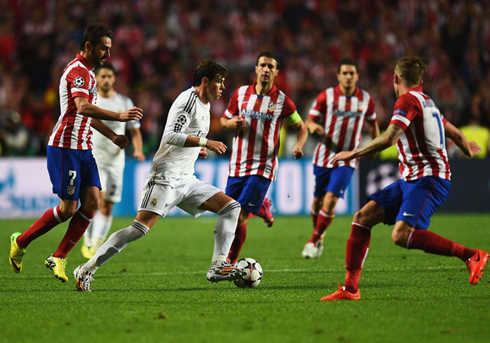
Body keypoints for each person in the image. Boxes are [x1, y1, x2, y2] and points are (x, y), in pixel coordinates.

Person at [321, 56, 488, 301]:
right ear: (420, 79)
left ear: (395, 79)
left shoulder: (407, 100)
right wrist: (468, 149)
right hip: (412, 179)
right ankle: (350, 289)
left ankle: (471, 255)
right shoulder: (427, 101)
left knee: (401, 235)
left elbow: (389, 137)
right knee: (362, 218)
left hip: (429, 178)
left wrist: (352, 153)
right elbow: (455, 133)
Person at [73, 59, 247, 292]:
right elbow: (171, 136)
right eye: (219, 82)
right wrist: (207, 142)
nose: (223, 87)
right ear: (205, 82)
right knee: (138, 229)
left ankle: (218, 265)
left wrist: (198, 148)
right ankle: (86, 269)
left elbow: (186, 136)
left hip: (186, 179)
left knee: (231, 207)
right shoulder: (188, 101)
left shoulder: (205, 105)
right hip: (164, 177)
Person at [8, 24, 143, 283]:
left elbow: (87, 115)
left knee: (93, 202)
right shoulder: (77, 72)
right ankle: (21, 241)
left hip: (84, 148)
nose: (107, 54)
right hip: (64, 147)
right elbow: (82, 107)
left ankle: (58, 256)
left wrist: (113, 135)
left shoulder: (90, 75)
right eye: (104, 48)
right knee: (68, 209)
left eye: (110, 49)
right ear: (89, 46)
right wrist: (118, 116)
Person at [220, 51, 308, 264]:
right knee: (230, 215)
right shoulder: (240, 94)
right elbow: (223, 120)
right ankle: (261, 207)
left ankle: (229, 264)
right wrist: (230, 124)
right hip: (237, 165)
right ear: (256, 69)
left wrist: (298, 145)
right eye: (263, 65)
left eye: (271, 67)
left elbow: (301, 127)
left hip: (263, 166)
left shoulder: (283, 101)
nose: (266, 70)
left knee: (239, 215)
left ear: (276, 72)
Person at [301, 58, 380, 259]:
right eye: (344, 73)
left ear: (357, 76)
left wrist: (374, 146)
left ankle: (313, 240)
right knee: (317, 203)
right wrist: (314, 127)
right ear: (338, 76)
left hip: (349, 158)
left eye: (351, 73)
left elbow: (373, 124)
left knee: (331, 199)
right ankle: (319, 234)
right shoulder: (326, 96)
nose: (348, 77)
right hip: (324, 155)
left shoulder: (365, 99)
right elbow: (309, 120)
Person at [81, 63, 145, 259]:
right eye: (103, 76)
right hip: (94, 156)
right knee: (96, 199)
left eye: (110, 76)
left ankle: (96, 242)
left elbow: (135, 130)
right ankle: (87, 241)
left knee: (108, 205)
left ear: (114, 78)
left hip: (116, 160)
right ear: (97, 79)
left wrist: (138, 149)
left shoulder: (125, 102)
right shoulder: (92, 101)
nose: (107, 80)